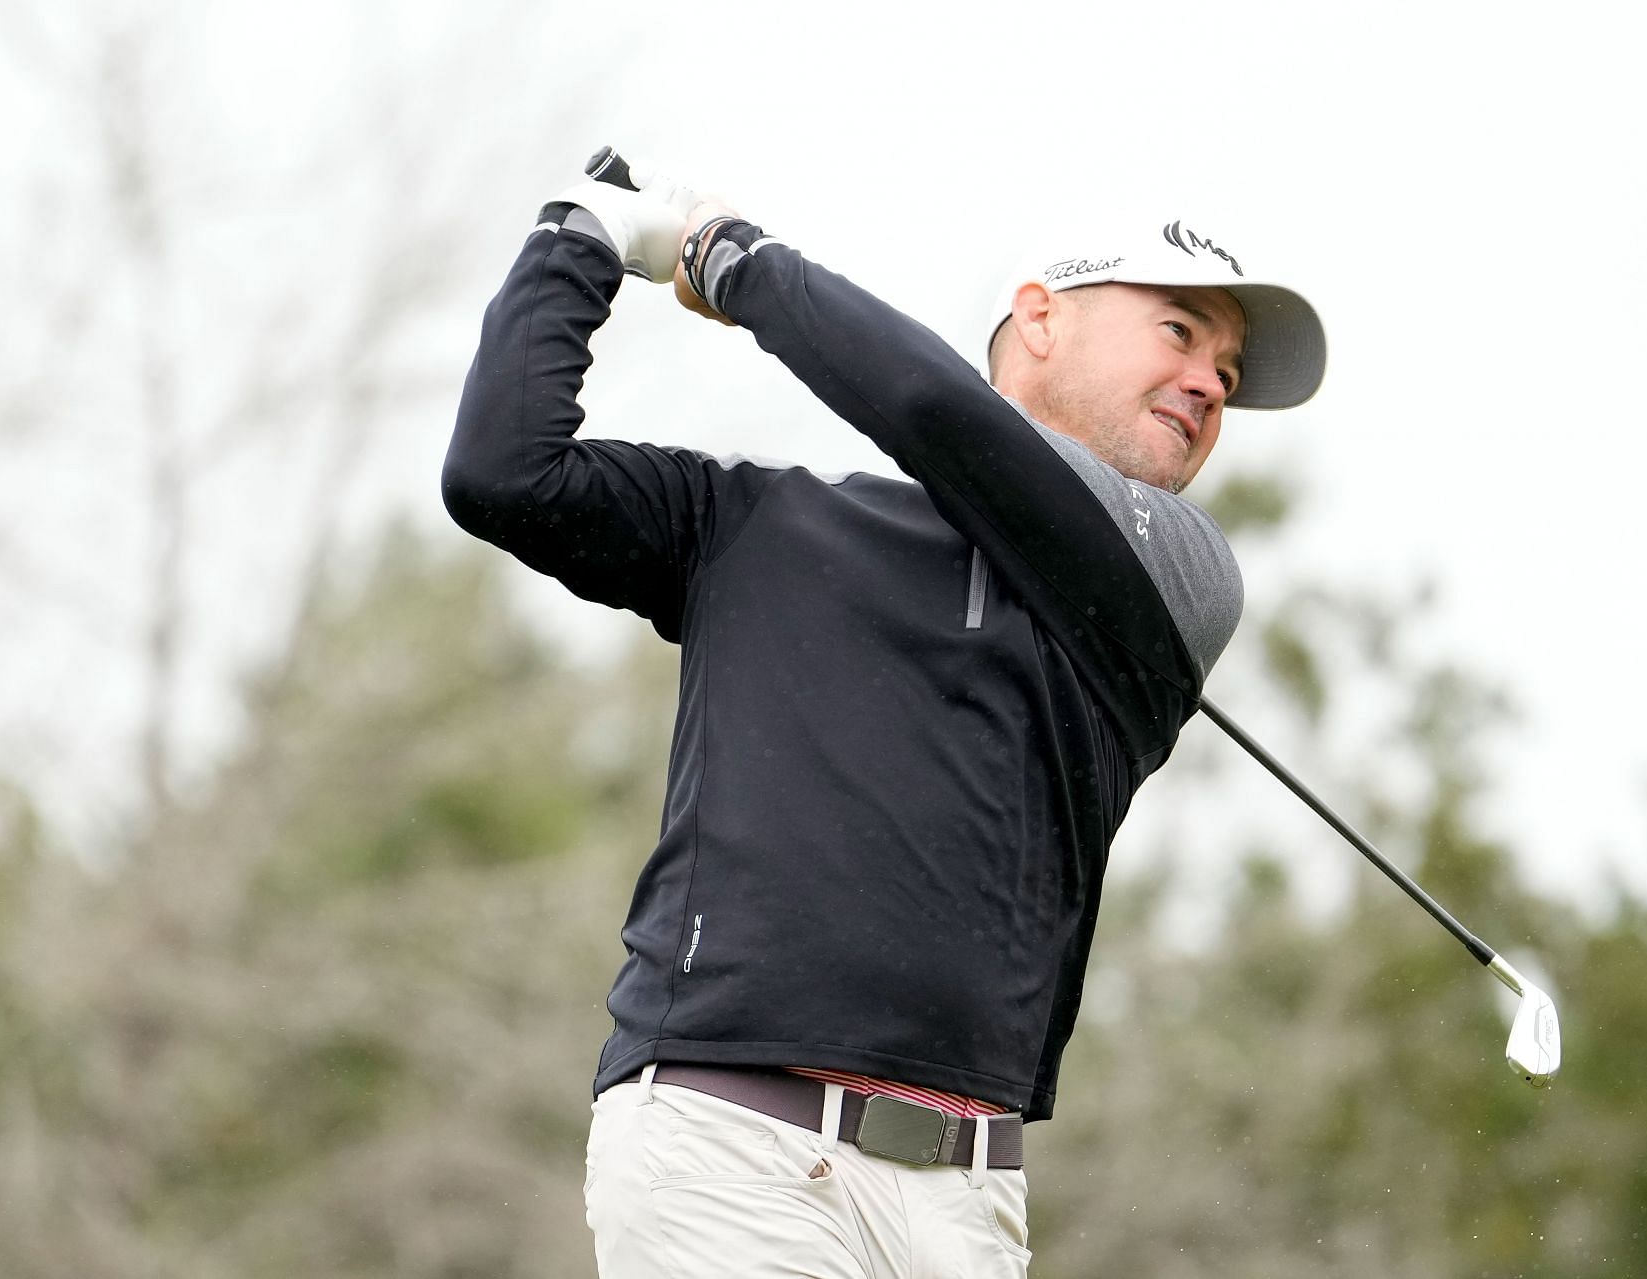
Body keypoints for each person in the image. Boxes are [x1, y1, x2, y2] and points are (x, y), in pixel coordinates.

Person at [443, 159, 1326, 1278]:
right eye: (1180, 331)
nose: (1209, 381)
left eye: (1229, 369)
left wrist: (742, 263)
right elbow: (504, 474)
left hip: (969, 1205)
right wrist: (582, 237)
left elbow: (936, 414)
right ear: (1041, 319)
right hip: (731, 1150)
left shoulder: (1176, 581)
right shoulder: (757, 525)